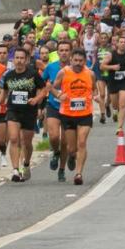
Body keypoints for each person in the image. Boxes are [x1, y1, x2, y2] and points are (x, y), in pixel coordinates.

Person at [0, 48, 47, 182]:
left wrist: (36, 100)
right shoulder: (9, 75)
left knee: (26, 142)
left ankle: (26, 164)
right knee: (13, 138)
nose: (19, 61)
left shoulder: (33, 74)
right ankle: (15, 170)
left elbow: (43, 89)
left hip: (29, 111)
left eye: (21, 58)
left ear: (26, 60)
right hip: (13, 110)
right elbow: (5, 90)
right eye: (17, 58)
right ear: (13, 60)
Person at [52, 49, 99, 185]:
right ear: (71, 60)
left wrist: (95, 96)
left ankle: (78, 174)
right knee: (71, 148)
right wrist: (59, 95)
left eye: (81, 61)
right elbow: (52, 87)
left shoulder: (90, 74)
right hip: (67, 114)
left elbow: (94, 89)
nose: (78, 63)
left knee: (82, 142)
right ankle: (71, 156)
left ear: (85, 61)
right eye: (76, 60)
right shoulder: (63, 72)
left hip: (85, 113)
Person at [42, 40, 72, 181]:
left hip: (69, 108)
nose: (64, 53)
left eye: (67, 50)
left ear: (70, 52)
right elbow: (42, 83)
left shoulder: (75, 68)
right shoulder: (51, 67)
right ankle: (56, 152)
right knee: (54, 136)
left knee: (65, 141)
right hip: (53, 105)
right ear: (58, 52)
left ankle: (61, 170)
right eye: (61, 50)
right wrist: (39, 102)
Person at [102, 35, 125, 131]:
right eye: (121, 42)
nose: (123, 44)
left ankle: (119, 127)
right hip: (113, 83)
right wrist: (112, 67)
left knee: (123, 104)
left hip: (124, 82)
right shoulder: (111, 55)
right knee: (115, 104)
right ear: (117, 44)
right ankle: (115, 111)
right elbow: (102, 66)